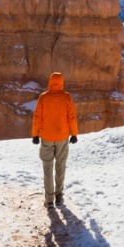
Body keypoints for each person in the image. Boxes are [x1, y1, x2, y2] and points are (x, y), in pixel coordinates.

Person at [32, 72, 78, 208]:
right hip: (62, 137)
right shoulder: (67, 97)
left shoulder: (43, 97)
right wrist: (74, 134)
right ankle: (59, 196)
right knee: (60, 165)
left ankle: (49, 200)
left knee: (47, 168)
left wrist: (35, 135)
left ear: (50, 82)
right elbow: (72, 117)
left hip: (46, 138)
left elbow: (37, 117)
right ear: (62, 82)